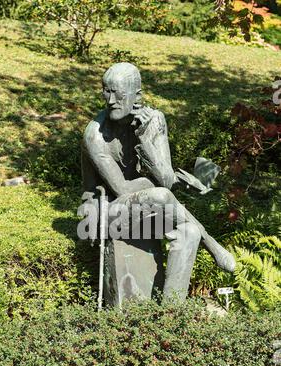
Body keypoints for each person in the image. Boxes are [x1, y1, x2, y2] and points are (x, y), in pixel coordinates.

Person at [81, 62, 235, 299]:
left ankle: (171, 313)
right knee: (161, 195)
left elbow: (166, 177)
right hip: (105, 211)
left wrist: (143, 139)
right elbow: (122, 188)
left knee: (189, 231)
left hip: (146, 209)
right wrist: (157, 185)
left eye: (118, 93)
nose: (111, 100)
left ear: (137, 96)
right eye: (106, 91)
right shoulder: (96, 134)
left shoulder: (154, 120)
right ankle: (211, 243)